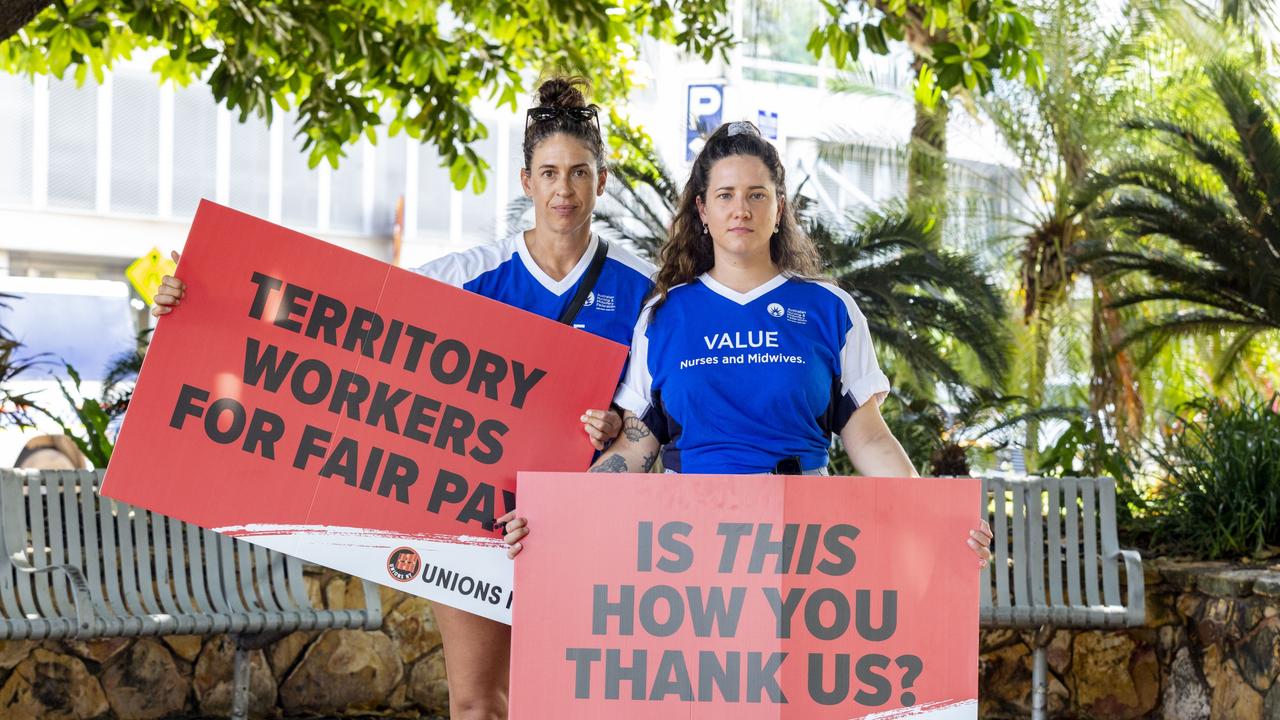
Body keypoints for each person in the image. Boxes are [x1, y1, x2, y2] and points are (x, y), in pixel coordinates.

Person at [154, 76, 657, 720]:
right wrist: (204, 295)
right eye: (550, 172)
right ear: (526, 182)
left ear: (602, 180)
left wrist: (615, 423)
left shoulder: (643, 287)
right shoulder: (470, 275)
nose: (565, 189)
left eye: (580, 172)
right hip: (475, 514)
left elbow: (656, 409)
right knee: (478, 703)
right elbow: (335, 311)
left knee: (573, 704)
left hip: (586, 518)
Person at [499, 120, 994, 568]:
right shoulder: (664, 314)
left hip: (804, 546)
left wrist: (939, 521)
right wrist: (551, 517)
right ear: (703, 210)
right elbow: (633, 446)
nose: (742, 209)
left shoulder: (830, 309)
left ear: (779, 208)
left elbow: (867, 437)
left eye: (757, 195)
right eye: (727, 195)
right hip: (688, 547)